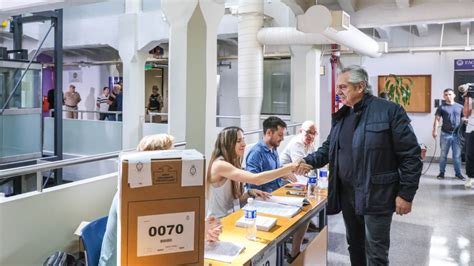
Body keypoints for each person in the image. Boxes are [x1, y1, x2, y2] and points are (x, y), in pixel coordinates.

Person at [299, 65, 422, 265]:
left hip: (377, 195)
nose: (338, 92)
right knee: (355, 245)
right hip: (348, 195)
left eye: (343, 87)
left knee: (376, 252)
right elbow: (329, 148)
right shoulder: (342, 116)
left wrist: (406, 194)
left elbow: (411, 155)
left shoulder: (389, 111)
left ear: (360, 87)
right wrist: (307, 161)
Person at [99, 134, 222, 265]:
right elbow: (150, 234)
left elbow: (170, 225)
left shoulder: (162, 194)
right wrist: (198, 232)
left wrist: (204, 229)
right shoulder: (129, 194)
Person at [207, 126, 309, 218]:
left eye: (243, 140)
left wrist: (250, 193)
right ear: (228, 144)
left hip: (231, 217)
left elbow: (231, 202)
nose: (244, 144)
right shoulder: (219, 165)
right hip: (218, 223)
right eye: (239, 141)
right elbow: (257, 179)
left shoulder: (233, 163)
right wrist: (289, 168)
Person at [432, 88, 465, 180]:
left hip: (457, 135)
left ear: (454, 95)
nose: (448, 96)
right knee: (443, 155)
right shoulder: (441, 107)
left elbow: (463, 119)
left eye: (450, 94)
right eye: (446, 95)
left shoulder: (460, 107)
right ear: (443, 96)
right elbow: (437, 120)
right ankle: (441, 173)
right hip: (445, 134)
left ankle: (458, 174)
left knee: (457, 156)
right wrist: (434, 130)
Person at [462, 89, 474, 188]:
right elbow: (466, 113)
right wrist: (467, 98)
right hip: (471, 130)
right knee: (470, 155)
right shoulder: (471, 100)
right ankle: (470, 177)